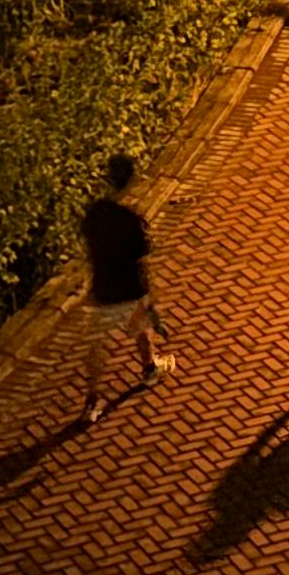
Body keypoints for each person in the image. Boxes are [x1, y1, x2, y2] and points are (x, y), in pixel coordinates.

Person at [78, 153, 168, 423]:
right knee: (141, 326)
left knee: (98, 349)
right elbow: (141, 259)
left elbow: (88, 248)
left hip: (103, 290)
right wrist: (152, 300)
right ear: (131, 181)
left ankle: (92, 400)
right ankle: (150, 367)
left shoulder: (94, 213)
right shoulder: (131, 220)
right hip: (128, 289)